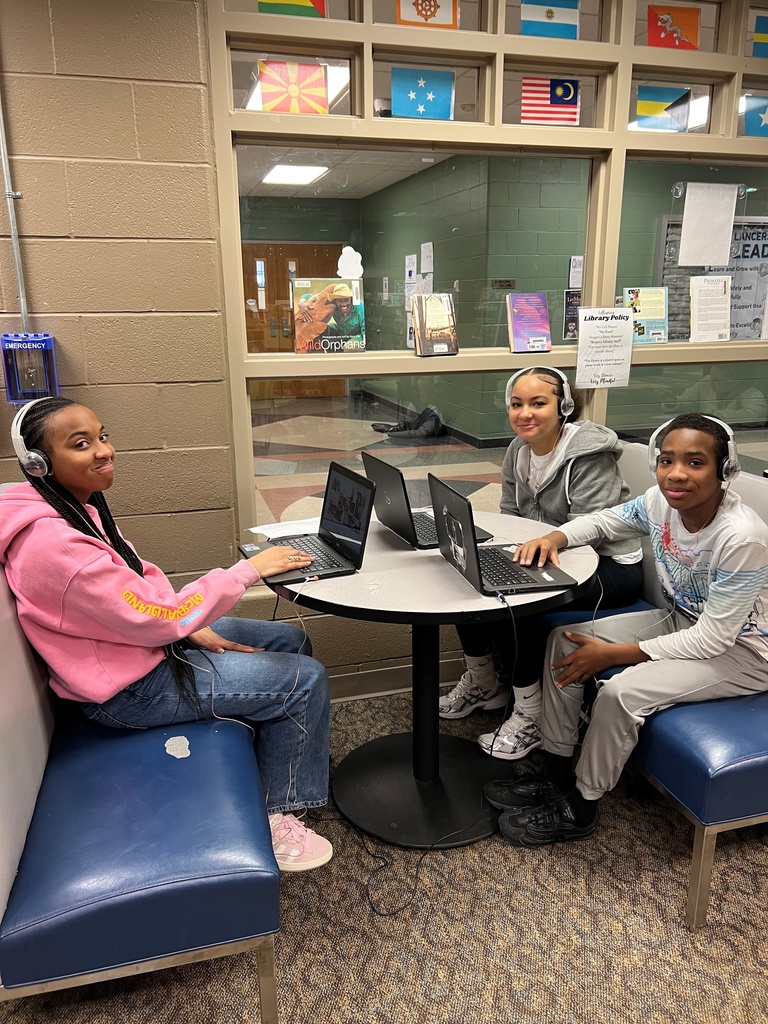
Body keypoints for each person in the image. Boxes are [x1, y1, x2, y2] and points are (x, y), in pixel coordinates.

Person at [0, 396, 334, 873]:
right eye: (81, 444)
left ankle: (271, 754)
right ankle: (277, 813)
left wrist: (185, 626)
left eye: (103, 436)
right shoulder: (56, 547)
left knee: (289, 643)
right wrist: (245, 572)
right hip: (128, 691)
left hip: (141, 645)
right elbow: (155, 613)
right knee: (306, 680)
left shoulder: (69, 509)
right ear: (39, 464)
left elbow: (139, 589)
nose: (103, 451)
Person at [489, 413, 768, 847]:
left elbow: (714, 639)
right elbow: (604, 521)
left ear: (724, 470)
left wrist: (615, 655)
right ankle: (556, 769)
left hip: (744, 652)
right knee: (564, 639)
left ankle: (581, 805)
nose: (676, 473)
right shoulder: (660, 501)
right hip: (686, 621)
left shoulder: (742, 538)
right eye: (666, 460)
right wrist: (558, 538)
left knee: (623, 693)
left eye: (695, 463)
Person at [439, 367, 643, 762]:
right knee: (467, 578)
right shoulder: (519, 449)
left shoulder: (589, 456)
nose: (524, 413)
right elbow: (510, 511)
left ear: (564, 406)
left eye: (538, 403)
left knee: (522, 610)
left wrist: (531, 557)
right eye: (517, 404)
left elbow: (594, 530)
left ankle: (531, 716)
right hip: (549, 557)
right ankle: (486, 684)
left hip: (609, 566)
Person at [659, 364, 768, 423]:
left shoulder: (750, 393)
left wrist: (711, 416)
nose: (712, 383)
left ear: (732, 381)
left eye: (718, 380)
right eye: (712, 378)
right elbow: (686, 402)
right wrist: (672, 402)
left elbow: (756, 415)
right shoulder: (707, 383)